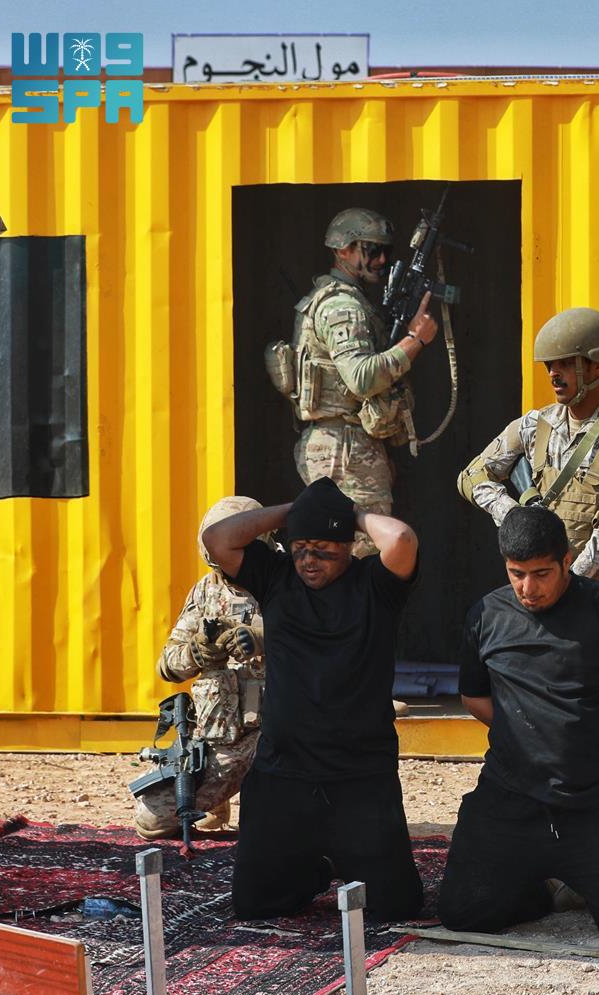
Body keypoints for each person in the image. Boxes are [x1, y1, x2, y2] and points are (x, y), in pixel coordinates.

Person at [456, 307, 599, 885]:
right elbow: (473, 476)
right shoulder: (533, 428)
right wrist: (513, 518)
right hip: (542, 596)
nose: (554, 375)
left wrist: (569, 577)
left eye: (566, 364)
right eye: (550, 365)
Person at [437, 506, 599, 945]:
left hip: (592, 801)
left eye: (541, 573)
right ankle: (536, 888)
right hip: (509, 799)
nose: (528, 588)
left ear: (567, 561)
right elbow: (473, 696)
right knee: (461, 913)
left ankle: (578, 875)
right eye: (517, 573)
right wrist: (519, 731)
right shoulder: (486, 613)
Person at [201, 477, 424, 920]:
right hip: (284, 771)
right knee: (255, 906)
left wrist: (348, 514)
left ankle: (344, 861)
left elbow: (401, 538)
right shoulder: (276, 576)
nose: (309, 560)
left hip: (360, 774)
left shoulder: (375, 586)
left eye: (323, 549)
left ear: (348, 546)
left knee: (395, 908)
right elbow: (217, 539)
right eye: (300, 547)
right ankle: (316, 869)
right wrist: (295, 511)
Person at [276, 207, 439, 556]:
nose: (381, 260)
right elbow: (361, 378)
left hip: (344, 446)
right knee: (360, 558)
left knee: (336, 556)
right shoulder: (342, 307)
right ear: (343, 249)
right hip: (345, 452)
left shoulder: (342, 300)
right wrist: (415, 340)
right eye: (372, 250)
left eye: (385, 251)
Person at [135, 496, 271, 839]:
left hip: (285, 733)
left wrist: (263, 638)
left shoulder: (292, 576)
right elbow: (167, 665)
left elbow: (327, 640)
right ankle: (216, 800)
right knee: (152, 819)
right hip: (224, 737)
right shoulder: (208, 590)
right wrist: (198, 653)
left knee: (285, 829)